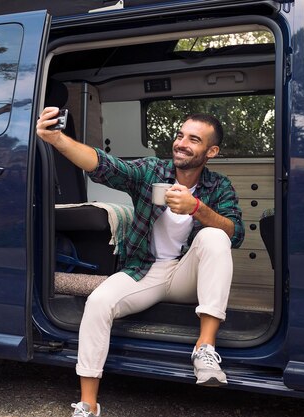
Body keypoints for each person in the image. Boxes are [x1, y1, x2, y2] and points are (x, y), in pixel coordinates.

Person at [36, 107, 245, 417]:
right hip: (146, 270)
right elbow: (105, 166)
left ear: (211, 151)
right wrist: (56, 139)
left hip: (189, 276)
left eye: (193, 139)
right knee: (98, 302)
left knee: (215, 237)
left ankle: (205, 349)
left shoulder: (218, 186)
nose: (182, 143)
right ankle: (88, 405)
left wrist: (196, 207)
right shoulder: (151, 172)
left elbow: (236, 233)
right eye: (179, 136)